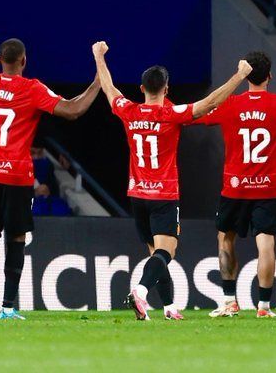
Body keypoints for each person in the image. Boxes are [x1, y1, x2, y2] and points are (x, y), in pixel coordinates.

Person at [91, 41, 252, 321]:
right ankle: (140, 292)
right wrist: (239, 75)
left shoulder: (128, 110)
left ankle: (167, 307)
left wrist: (99, 57)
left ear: (142, 89)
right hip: (163, 196)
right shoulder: (170, 114)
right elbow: (211, 102)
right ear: (166, 90)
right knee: (167, 251)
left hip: (137, 194)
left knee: (155, 252)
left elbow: (109, 88)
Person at [0, 39, 101, 321]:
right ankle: (6, 308)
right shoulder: (32, 89)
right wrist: (97, 82)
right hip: (16, 176)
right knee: (15, 237)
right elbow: (73, 110)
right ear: (24, 61)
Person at [195, 51, 276, 319]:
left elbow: (197, 113)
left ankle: (229, 302)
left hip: (235, 187)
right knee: (266, 244)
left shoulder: (229, 105)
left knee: (225, 239)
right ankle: (264, 307)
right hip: (268, 188)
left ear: (246, 75)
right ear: (270, 76)